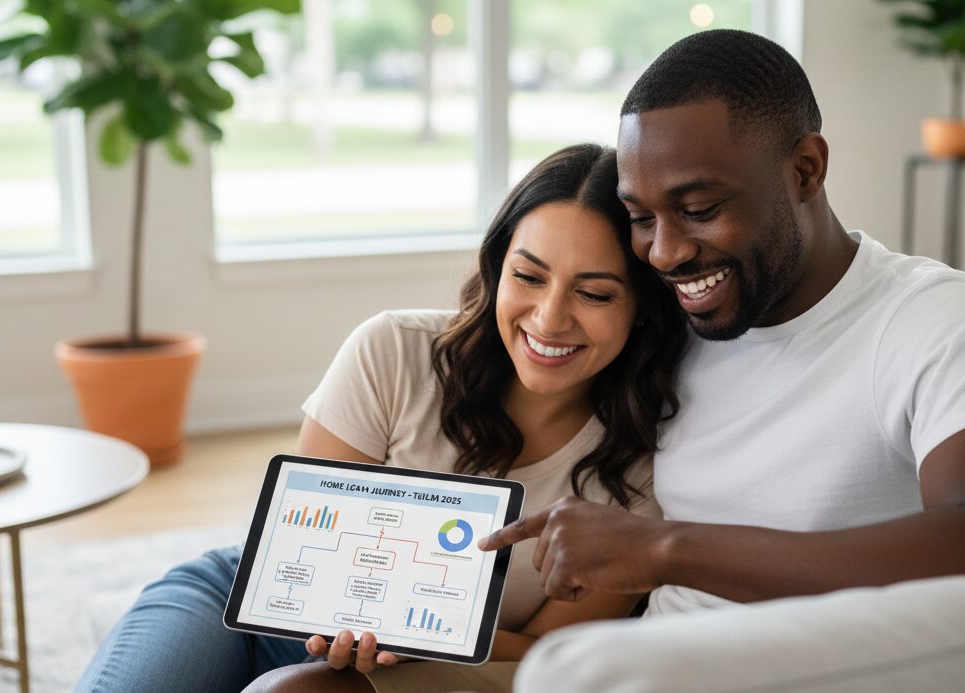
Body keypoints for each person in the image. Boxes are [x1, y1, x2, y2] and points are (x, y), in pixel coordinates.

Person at [74, 143, 687, 693]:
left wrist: (411, 633)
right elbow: (302, 560)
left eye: (595, 293)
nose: (550, 319)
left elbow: (552, 654)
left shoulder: (648, 463)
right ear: (498, 269)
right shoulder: (394, 348)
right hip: (238, 611)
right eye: (528, 276)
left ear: (640, 309)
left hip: (412, 670)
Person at [478, 29, 965, 690]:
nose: (666, 252)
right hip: (644, 657)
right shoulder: (672, 315)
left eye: (700, 209)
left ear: (805, 170)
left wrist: (663, 550)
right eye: (641, 216)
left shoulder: (928, 318)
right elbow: (542, 329)